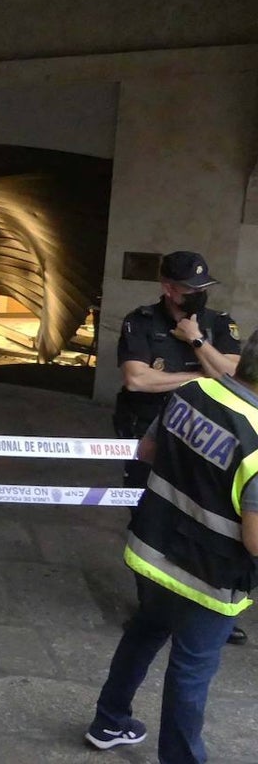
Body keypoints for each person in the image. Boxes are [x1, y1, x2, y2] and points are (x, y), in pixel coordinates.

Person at [85, 328, 258, 762]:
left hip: (154, 549)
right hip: (210, 576)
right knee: (191, 671)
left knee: (144, 632)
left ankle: (109, 720)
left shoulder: (195, 390)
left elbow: (146, 451)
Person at [113, 250, 245, 645]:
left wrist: (197, 341)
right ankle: (153, 610)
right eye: (192, 288)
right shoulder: (139, 322)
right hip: (151, 434)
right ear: (169, 289)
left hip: (206, 439)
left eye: (204, 287)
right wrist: (201, 377)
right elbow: (137, 382)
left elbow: (236, 378)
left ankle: (205, 609)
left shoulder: (218, 325)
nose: (200, 294)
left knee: (203, 523)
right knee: (148, 518)